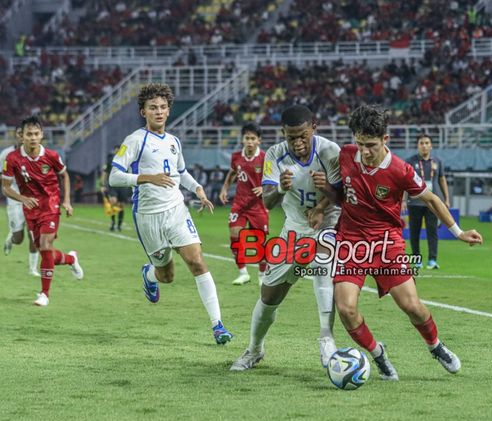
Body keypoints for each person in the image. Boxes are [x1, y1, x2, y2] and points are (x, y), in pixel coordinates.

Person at [331, 105, 483, 380]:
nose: (364, 151)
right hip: (350, 241)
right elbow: (336, 188)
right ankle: (379, 355)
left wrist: (458, 232)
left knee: (412, 306)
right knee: (346, 308)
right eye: (360, 143)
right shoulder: (345, 155)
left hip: (387, 242)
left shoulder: (401, 169)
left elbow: (432, 200)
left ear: (385, 140)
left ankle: (436, 346)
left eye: (371, 145)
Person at [108, 83, 233, 345]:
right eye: (153, 107)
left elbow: (180, 173)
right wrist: (146, 178)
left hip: (176, 210)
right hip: (148, 216)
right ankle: (149, 274)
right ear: (143, 111)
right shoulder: (134, 140)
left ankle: (218, 325)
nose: (159, 112)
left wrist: (198, 189)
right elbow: (115, 177)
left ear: (169, 110)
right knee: (167, 276)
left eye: (163, 107)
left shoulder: (174, 141)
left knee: (197, 261)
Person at [229, 104, 341, 371]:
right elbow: (267, 203)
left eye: (303, 135)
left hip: (326, 223)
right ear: (283, 133)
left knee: (323, 265)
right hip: (293, 229)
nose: (298, 142)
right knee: (269, 296)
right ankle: (254, 349)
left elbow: (342, 196)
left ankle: (327, 339)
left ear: (313, 127)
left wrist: (323, 201)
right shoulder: (275, 155)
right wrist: (280, 187)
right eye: (291, 137)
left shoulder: (329, 151)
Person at [2, 116, 83, 306]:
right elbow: (5, 187)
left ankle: (44, 294)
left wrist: (67, 201)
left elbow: (64, 175)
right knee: (45, 252)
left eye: (36, 134)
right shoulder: (12, 158)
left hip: (50, 204)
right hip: (30, 209)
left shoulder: (52, 156)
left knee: (45, 245)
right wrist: (22, 198)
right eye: (29, 134)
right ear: (22, 136)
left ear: (42, 135)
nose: (32, 137)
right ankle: (71, 258)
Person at [218, 123, 268, 285]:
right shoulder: (236, 156)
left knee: (259, 242)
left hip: (258, 206)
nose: (250, 141)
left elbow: (274, 178)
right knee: (234, 234)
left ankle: (262, 275)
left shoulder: (265, 158)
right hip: (239, 204)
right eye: (247, 138)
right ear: (242, 139)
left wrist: (264, 187)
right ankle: (243, 272)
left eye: (253, 138)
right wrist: (225, 188)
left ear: (259, 140)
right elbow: (232, 172)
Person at [404, 134, 449, 270]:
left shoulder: (438, 162)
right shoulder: (410, 161)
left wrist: (446, 199)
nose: (424, 145)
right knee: (414, 232)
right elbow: (404, 181)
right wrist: (403, 200)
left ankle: (432, 260)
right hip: (415, 202)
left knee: (432, 231)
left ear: (431, 145)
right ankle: (417, 260)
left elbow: (442, 179)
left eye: (426, 143)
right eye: (421, 143)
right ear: (418, 145)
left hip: (432, 202)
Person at [0, 125, 40, 276]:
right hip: (15, 199)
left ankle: (32, 269)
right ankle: (12, 236)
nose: (22, 136)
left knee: (34, 234)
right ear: (18, 135)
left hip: (32, 199)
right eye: (19, 133)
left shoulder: (37, 152)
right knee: (19, 239)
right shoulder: (6, 154)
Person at [100, 145, 131, 231]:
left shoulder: (127, 159)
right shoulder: (111, 159)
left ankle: (119, 225)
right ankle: (113, 222)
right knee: (113, 202)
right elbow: (105, 172)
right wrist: (102, 184)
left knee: (121, 205)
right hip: (113, 184)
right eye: (117, 150)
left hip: (123, 185)